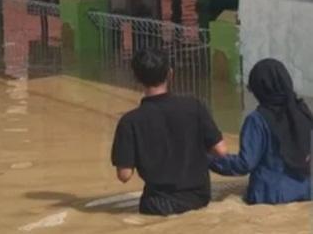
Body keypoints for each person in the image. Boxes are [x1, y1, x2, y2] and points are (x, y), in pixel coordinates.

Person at [111, 48, 228, 216]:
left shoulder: (129, 122)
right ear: (170, 73)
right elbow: (221, 151)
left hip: (156, 205)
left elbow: (124, 175)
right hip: (199, 199)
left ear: (136, 79)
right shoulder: (194, 107)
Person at [210, 59, 313, 205]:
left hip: (269, 196)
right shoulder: (303, 113)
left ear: (260, 89)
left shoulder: (257, 120)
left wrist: (209, 160)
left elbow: (244, 165)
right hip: (306, 193)